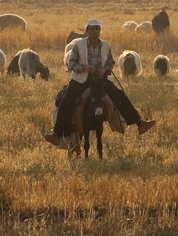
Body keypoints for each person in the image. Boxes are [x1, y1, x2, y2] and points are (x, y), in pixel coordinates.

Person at [44, 19, 155, 147]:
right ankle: (57, 134)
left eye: (97, 28)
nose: (95, 31)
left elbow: (110, 62)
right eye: (92, 29)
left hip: (100, 79)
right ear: (87, 31)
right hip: (81, 80)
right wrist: (85, 68)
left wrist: (105, 70)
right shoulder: (78, 45)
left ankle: (139, 123)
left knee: (119, 95)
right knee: (67, 99)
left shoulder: (106, 46)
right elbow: (71, 64)